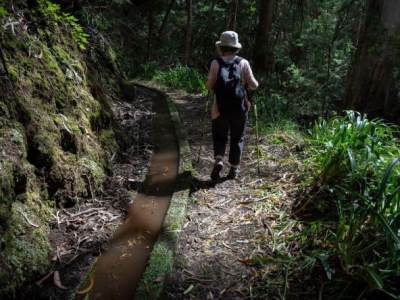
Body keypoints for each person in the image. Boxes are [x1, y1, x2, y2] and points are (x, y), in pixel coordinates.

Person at [206, 31, 259, 181]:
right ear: (236, 47)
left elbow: (209, 85)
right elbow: (254, 85)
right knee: (237, 137)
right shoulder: (243, 63)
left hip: (219, 108)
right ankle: (234, 169)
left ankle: (219, 161)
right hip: (240, 108)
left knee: (220, 135)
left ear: (221, 47)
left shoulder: (216, 63)